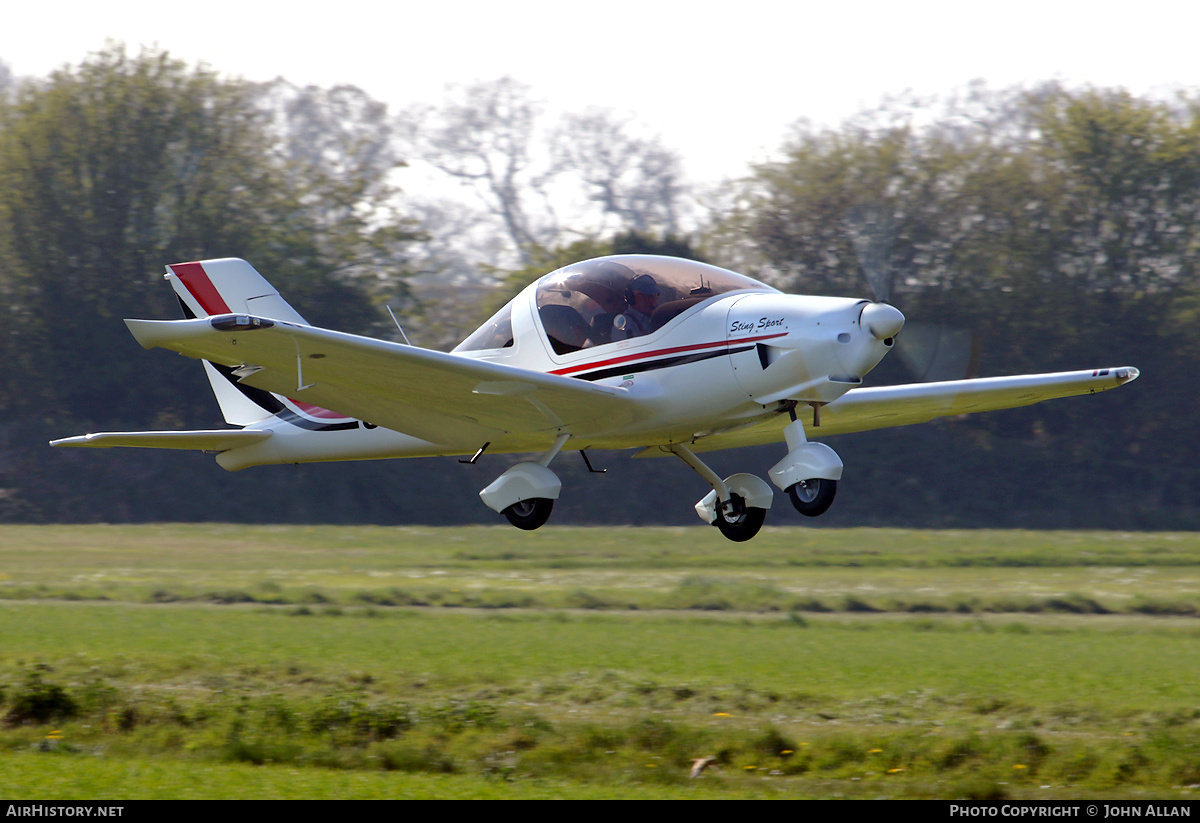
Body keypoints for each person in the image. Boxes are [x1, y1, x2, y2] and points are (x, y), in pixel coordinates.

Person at [612, 273, 661, 339]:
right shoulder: (624, 323)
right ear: (631, 298)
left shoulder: (658, 318)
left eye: (655, 295)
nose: (652, 301)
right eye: (646, 296)